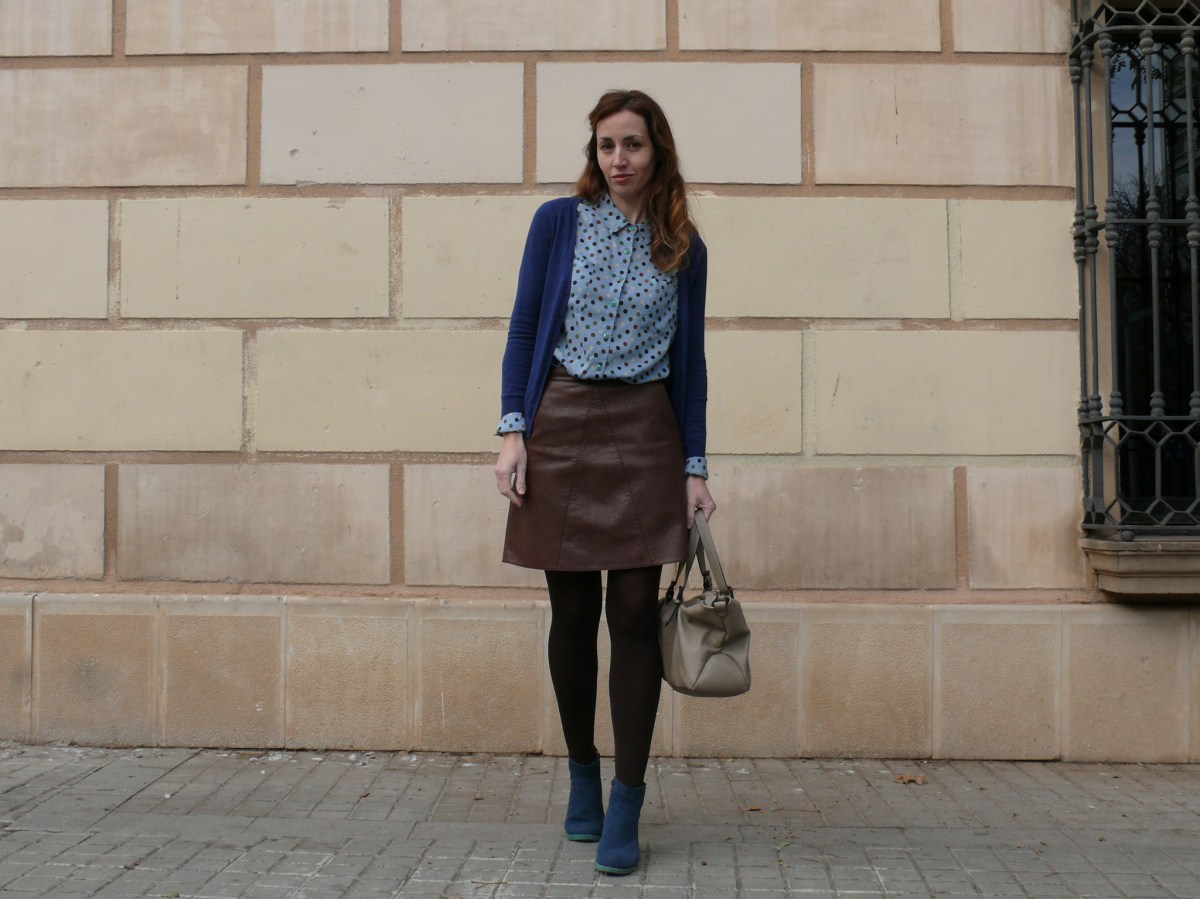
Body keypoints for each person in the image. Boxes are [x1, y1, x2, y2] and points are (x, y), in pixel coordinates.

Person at [493, 89, 715, 876]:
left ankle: (627, 797)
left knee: (633, 613)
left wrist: (694, 467)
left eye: (632, 145)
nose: (618, 159)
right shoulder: (559, 224)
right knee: (573, 610)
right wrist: (513, 430)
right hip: (561, 422)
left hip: (646, 429)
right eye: (606, 146)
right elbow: (526, 326)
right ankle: (582, 775)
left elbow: (690, 364)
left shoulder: (682, 246)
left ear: (659, 152)